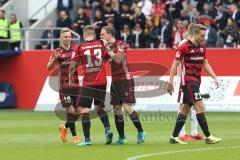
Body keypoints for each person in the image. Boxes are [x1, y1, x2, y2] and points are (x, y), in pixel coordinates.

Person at [167, 23, 222, 144]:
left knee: (185, 109)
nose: (204, 38)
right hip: (187, 81)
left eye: (205, 35)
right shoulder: (184, 47)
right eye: (202, 35)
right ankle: (208, 136)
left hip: (196, 81)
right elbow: (174, 65)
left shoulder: (202, 47)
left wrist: (215, 77)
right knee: (200, 106)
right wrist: (170, 82)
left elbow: (205, 63)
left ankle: (174, 136)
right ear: (195, 34)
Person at [100, 26, 145, 144]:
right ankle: (122, 137)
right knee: (116, 109)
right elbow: (101, 60)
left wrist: (107, 49)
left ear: (109, 34)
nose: (101, 37)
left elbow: (118, 59)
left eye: (102, 34)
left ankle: (141, 131)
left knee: (126, 107)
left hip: (125, 79)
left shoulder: (121, 44)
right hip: (114, 81)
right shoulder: (107, 47)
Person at [70, 25, 113, 146]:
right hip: (102, 81)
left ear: (84, 35)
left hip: (88, 83)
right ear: (94, 34)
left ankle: (88, 140)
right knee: (99, 107)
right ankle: (108, 129)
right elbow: (110, 57)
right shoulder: (101, 44)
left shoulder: (80, 47)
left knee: (84, 110)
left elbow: (72, 65)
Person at [47, 27, 80, 144]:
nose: (68, 39)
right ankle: (75, 137)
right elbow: (48, 67)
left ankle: (64, 127)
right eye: (66, 37)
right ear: (61, 38)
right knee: (70, 110)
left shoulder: (76, 50)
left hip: (76, 85)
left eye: (70, 37)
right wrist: (54, 59)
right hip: (64, 86)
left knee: (79, 112)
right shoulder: (57, 51)